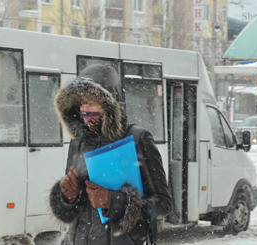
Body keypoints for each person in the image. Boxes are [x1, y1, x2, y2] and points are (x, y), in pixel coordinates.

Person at [49, 64, 172, 245]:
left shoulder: (137, 139)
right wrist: (67, 198)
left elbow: (162, 205)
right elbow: (73, 210)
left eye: (91, 102)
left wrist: (114, 201)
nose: (85, 109)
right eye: (81, 103)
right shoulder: (78, 143)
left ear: (109, 105)